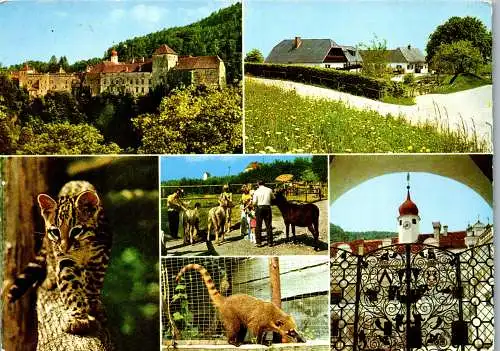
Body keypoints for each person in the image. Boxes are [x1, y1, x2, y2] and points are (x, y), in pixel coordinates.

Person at [252, 180, 275, 247]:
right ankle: (270, 242)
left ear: (258, 184)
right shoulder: (269, 190)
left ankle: (259, 242)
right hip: (267, 207)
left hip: (259, 208)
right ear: (264, 183)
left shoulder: (256, 191)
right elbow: (273, 198)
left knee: (258, 226)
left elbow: (254, 202)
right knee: (268, 225)